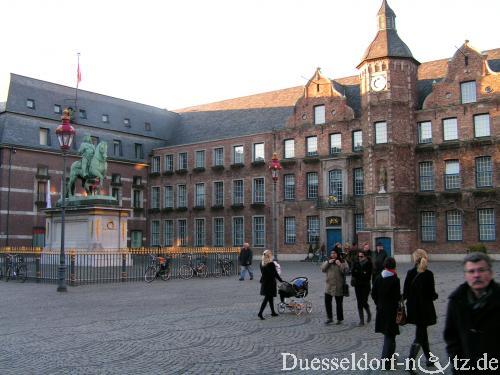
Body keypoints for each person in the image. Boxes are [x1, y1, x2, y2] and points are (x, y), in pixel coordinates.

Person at [444, 252, 500, 371]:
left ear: (490, 273)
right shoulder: (456, 301)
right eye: (471, 271)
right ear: (465, 275)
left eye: (481, 270)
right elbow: (451, 337)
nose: (476, 275)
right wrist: (459, 364)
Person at [403, 249, 438, 370]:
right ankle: (411, 361)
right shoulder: (429, 274)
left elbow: (405, 293)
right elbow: (432, 294)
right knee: (420, 334)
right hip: (425, 309)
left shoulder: (410, 273)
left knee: (422, 333)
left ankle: (429, 358)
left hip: (413, 308)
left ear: (415, 259)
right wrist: (435, 295)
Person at [372, 257, 401, 362]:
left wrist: (378, 303)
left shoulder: (379, 278)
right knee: (390, 335)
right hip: (391, 311)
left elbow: (373, 293)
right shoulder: (395, 279)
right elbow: (397, 297)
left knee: (387, 334)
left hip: (381, 310)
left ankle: (391, 356)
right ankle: (386, 359)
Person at [321, 249, 349, 325]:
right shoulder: (328, 261)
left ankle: (339, 319)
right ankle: (330, 318)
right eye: (331, 253)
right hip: (329, 285)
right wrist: (327, 263)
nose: (332, 254)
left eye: (334, 253)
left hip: (339, 286)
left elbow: (346, 271)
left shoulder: (342, 261)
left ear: (337, 254)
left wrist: (340, 265)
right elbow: (322, 269)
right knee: (327, 302)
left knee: (339, 303)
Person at [258, 250, 283, 320]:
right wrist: (281, 280)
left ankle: (273, 312)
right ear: (269, 255)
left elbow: (264, 273)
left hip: (264, 282)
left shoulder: (262, 263)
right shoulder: (271, 264)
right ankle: (260, 313)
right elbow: (275, 274)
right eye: (271, 254)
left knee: (270, 298)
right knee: (266, 299)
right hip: (270, 283)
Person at [351, 250, 373, 326]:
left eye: (361, 256)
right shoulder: (356, 263)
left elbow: (367, 276)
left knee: (364, 301)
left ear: (365, 256)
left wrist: (359, 273)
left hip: (365, 286)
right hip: (357, 286)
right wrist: (361, 273)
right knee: (359, 302)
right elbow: (353, 272)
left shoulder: (369, 264)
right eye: (359, 256)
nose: (360, 258)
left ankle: (368, 313)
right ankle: (361, 320)